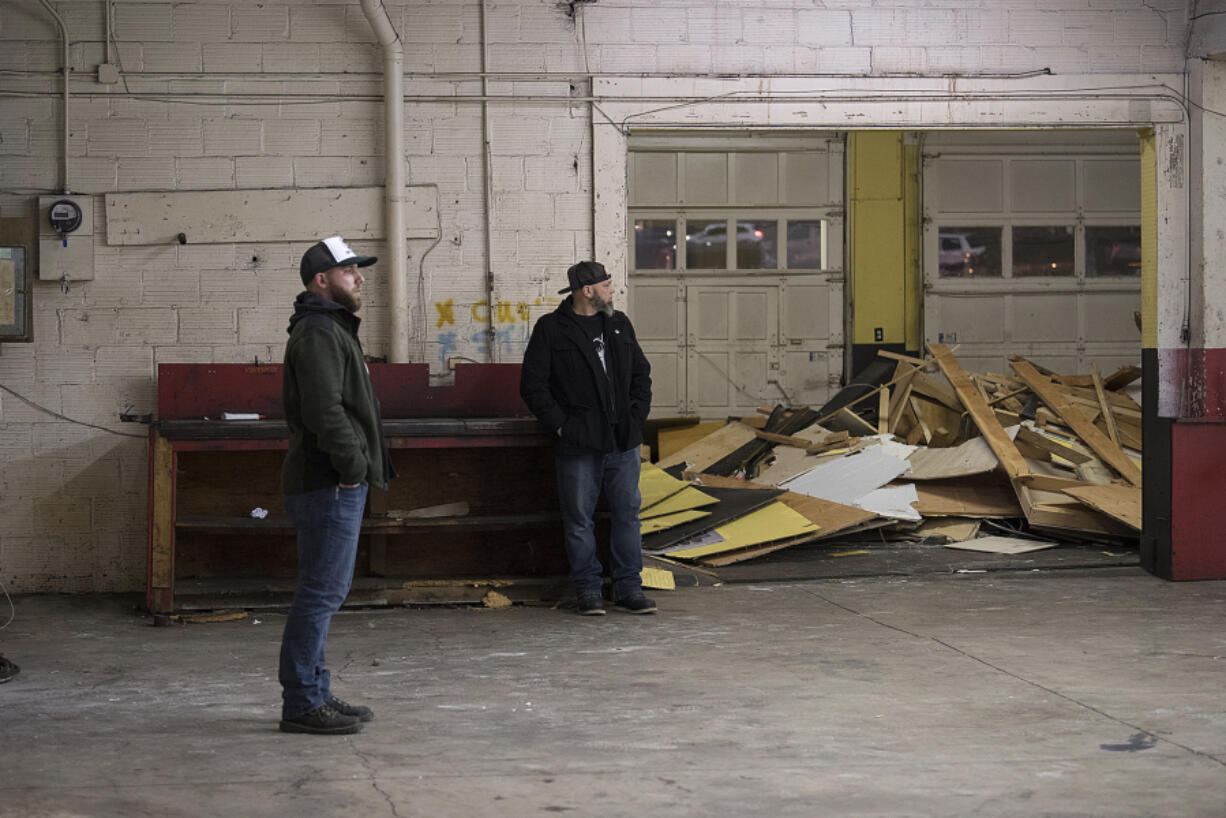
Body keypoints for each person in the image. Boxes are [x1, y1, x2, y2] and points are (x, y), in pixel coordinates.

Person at [278, 235, 395, 735]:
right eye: (350, 271)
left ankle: (316, 690)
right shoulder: (319, 332)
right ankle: (303, 701)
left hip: (335, 481)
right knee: (320, 594)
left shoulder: (331, 329)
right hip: (330, 482)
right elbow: (324, 412)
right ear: (321, 280)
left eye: (358, 270)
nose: (360, 277)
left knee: (325, 592)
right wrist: (352, 468)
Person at [520, 260, 655, 616]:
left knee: (628, 514)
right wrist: (561, 426)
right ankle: (589, 590)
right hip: (578, 443)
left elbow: (642, 376)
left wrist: (636, 418)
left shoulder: (619, 325)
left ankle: (629, 588)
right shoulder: (552, 329)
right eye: (608, 285)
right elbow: (533, 385)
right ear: (588, 291)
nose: (613, 290)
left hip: (622, 441)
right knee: (579, 518)